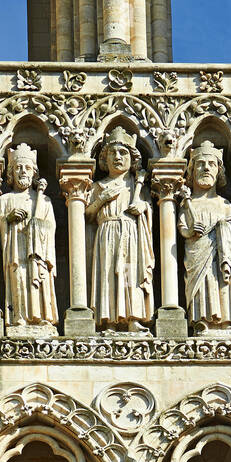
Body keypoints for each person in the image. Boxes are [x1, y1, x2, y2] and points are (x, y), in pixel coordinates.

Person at [86, 126, 154, 332]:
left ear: (132, 159)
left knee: (129, 273)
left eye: (123, 152)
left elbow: (149, 208)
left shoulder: (136, 186)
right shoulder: (98, 186)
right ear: (104, 159)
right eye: (112, 153)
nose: (117, 157)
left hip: (131, 234)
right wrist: (101, 200)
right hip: (107, 232)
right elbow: (88, 214)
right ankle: (109, 321)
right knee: (108, 273)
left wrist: (143, 207)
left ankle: (133, 318)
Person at [178, 141, 231, 332]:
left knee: (222, 281)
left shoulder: (224, 203)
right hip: (198, 252)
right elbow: (182, 226)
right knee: (203, 284)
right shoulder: (188, 204)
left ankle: (226, 320)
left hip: (221, 253)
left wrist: (226, 227)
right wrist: (190, 232)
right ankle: (201, 319)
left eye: (211, 164)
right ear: (192, 171)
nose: (206, 168)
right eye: (200, 164)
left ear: (218, 171)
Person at [0, 144, 58, 333]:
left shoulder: (44, 201)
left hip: (38, 251)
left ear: (34, 173)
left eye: (28, 168)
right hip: (16, 248)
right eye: (18, 167)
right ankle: (19, 318)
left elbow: (51, 227)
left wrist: (37, 227)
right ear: (11, 173)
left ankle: (43, 317)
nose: (23, 171)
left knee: (40, 279)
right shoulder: (6, 199)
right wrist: (9, 218)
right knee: (19, 278)